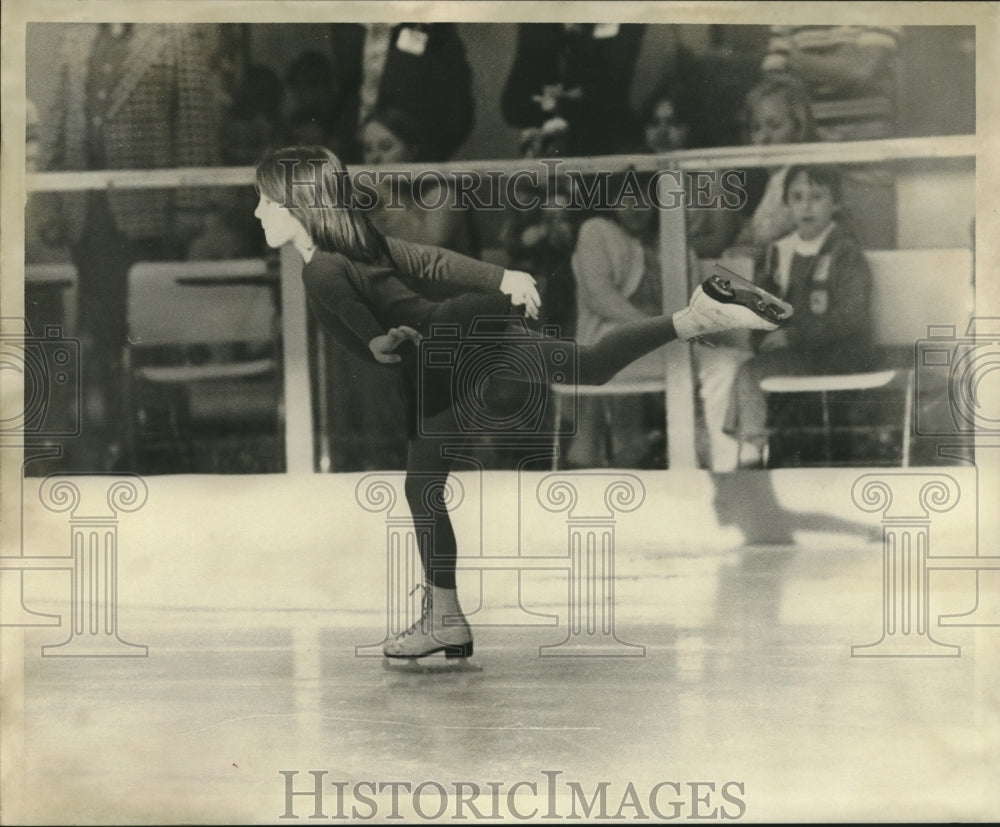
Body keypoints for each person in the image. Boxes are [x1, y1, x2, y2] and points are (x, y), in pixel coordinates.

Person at [253, 145, 793, 661]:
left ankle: (444, 619)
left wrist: (378, 340)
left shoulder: (321, 267)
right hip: (461, 332)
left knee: (422, 487)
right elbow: (431, 262)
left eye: (266, 201)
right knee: (590, 366)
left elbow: (358, 314)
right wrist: (501, 276)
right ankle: (696, 316)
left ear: (296, 206)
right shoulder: (358, 243)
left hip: (436, 350)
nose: (256, 212)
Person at [39, 23, 220, 470]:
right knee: (104, 338)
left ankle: (167, 447)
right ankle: (122, 442)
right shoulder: (77, 38)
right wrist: (46, 201)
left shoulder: (175, 35)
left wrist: (190, 207)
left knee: (155, 337)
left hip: (152, 219)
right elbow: (58, 128)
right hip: (91, 219)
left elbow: (195, 125)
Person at [724, 165, 873, 467]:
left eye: (816, 197)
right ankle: (749, 450)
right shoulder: (779, 252)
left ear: (836, 204)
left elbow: (852, 315)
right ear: (787, 204)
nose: (806, 206)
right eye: (797, 197)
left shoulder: (844, 251)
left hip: (836, 355)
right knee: (743, 370)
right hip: (796, 356)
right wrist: (763, 336)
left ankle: (751, 458)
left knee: (749, 374)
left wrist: (793, 336)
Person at [565, 191, 666, 469]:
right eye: (626, 198)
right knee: (615, 344)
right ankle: (618, 452)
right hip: (615, 342)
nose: (635, 208)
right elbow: (599, 296)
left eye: (644, 198)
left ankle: (613, 453)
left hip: (661, 348)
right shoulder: (598, 231)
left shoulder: (667, 240)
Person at [501, 23, 645, 157]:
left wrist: (559, 105)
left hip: (602, 149)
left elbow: (612, 96)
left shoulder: (621, 26)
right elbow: (512, 105)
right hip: (550, 153)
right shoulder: (538, 28)